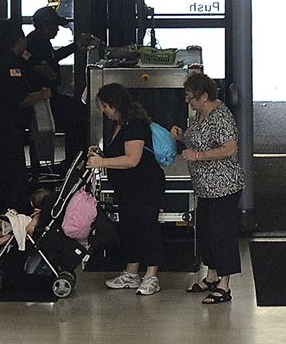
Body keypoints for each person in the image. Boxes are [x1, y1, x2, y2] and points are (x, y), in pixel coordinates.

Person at [170, 72, 244, 306]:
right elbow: (199, 139)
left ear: (204, 96)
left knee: (222, 234)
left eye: (190, 97)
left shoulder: (221, 116)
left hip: (224, 186)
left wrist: (198, 155)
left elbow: (230, 148)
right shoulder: (199, 114)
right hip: (204, 188)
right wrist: (183, 137)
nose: (188, 101)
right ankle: (211, 275)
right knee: (205, 232)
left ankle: (225, 284)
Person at [87, 82, 165, 296]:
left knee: (146, 227)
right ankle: (131, 272)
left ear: (115, 104)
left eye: (105, 106)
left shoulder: (135, 124)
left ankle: (151, 275)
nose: (104, 111)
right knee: (129, 227)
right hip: (126, 188)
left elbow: (132, 159)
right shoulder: (118, 125)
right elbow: (119, 154)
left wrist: (101, 163)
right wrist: (101, 155)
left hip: (145, 186)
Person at [0, 21, 52, 215]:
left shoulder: (0, 56)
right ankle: (10, 213)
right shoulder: (9, 64)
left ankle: (2, 212)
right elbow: (21, 99)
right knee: (11, 174)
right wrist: (42, 94)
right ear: (19, 40)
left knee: (1, 172)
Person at [24, 6, 97, 160]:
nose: (57, 29)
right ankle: (74, 160)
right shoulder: (33, 42)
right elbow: (25, 66)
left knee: (78, 111)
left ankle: (74, 158)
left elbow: (53, 56)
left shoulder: (41, 41)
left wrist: (76, 45)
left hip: (49, 95)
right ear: (45, 26)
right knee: (77, 115)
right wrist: (38, 69)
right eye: (55, 26)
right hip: (41, 98)